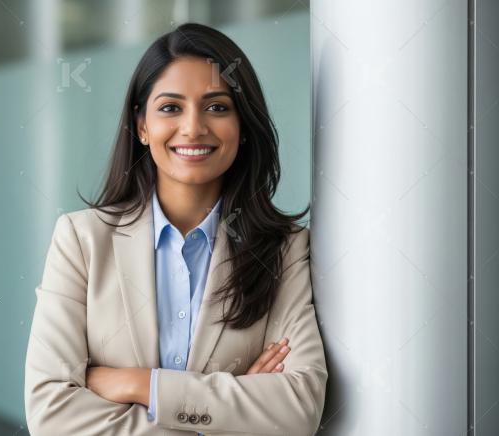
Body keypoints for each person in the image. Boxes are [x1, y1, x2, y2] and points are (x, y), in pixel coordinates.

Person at [24, 22, 327, 436]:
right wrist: (227, 416)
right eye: (170, 107)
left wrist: (139, 383)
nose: (193, 127)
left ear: (242, 127)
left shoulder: (284, 249)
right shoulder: (82, 241)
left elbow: (297, 409)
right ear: (143, 126)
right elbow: (51, 413)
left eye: (217, 106)